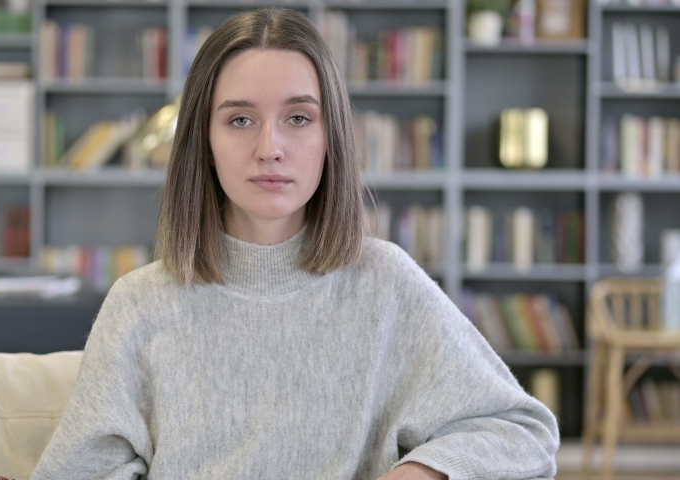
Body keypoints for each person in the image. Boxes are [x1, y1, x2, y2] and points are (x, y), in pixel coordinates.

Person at [31, 8, 559, 480]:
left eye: (299, 118)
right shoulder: (138, 303)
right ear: (204, 143)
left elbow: (524, 433)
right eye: (240, 119)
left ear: (331, 138)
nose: (269, 148)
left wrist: (424, 471)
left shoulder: (386, 282)